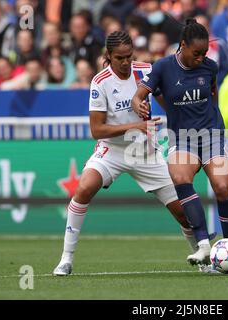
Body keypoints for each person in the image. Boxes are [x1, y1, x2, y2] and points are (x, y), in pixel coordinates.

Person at [52, 31, 198, 276]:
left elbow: (167, 101)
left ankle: (202, 257)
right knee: (83, 188)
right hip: (112, 150)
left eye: (129, 56)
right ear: (108, 56)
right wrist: (135, 125)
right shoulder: (100, 81)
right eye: (119, 57)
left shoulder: (146, 71)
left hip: (145, 152)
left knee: (183, 214)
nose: (125, 62)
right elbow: (97, 130)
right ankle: (66, 259)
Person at [132, 19, 228, 275]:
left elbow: (213, 97)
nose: (201, 57)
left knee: (223, 189)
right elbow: (140, 94)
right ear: (182, 46)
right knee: (180, 176)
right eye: (196, 53)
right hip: (182, 137)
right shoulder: (163, 67)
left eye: (204, 53)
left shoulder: (210, 67)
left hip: (213, 133)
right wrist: (140, 104)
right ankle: (203, 244)